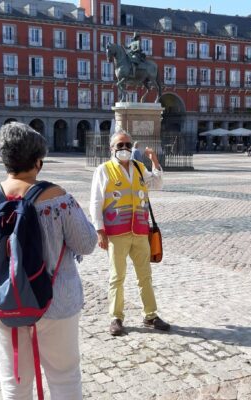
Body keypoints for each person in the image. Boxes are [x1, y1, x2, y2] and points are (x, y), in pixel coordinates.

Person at [0, 122, 97, 398]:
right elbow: (87, 244)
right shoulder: (57, 197)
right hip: (57, 302)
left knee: (14, 384)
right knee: (65, 378)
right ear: (38, 161)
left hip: (3, 302)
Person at [90, 130, 171, 336]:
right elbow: (96, 202)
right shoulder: (104, 170)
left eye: (127, 145)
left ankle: (150, 315)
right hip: (116, 233)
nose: (124, 149)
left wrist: (155, 161)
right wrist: (100, 231)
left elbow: (157, 184)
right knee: (117, 277)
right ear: (112, 149)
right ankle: (116, 317)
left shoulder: (138, 167)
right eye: (120, 145)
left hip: (140, 231)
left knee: (145, 276)